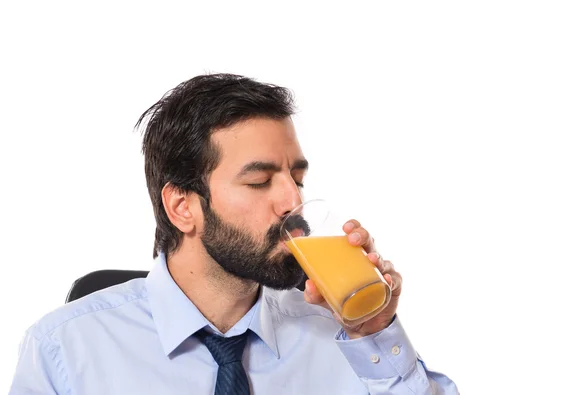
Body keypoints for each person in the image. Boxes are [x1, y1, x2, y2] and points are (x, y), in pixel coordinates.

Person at [9, 73, 459, 394]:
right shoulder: (65, 350)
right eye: (260, 182)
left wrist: (375, 333)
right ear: (182, 207)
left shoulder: (346, 340)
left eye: (296, 179)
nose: (291, 202)